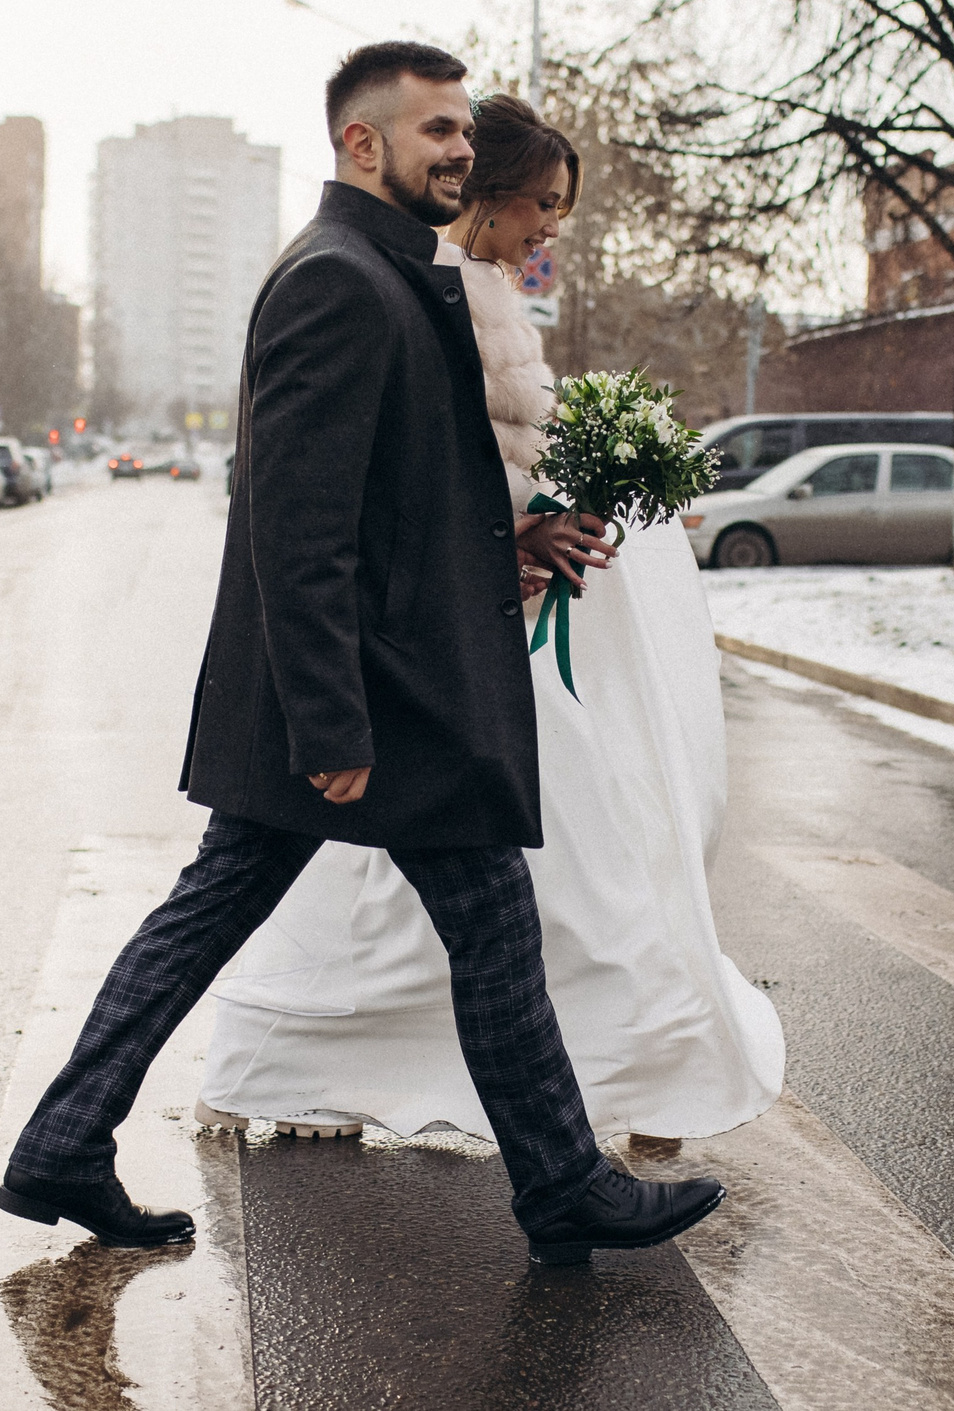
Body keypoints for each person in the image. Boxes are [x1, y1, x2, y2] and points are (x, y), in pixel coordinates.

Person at [0, 43, 726, 1268]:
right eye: (432, 130)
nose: (455, 147)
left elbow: (402, 500)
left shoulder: (391, 274)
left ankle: (69, 1139)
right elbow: (299, 525)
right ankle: (560, 1185)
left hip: (384, 684)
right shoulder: (338, 280)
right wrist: (331, 725)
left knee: (242, 914)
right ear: (360, 143)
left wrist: (513, 534)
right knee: (479, 932)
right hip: (375, 700)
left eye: (460, 129)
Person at [192, 96, 785, 1150]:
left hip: (469, 630)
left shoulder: (471, 291)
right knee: (536, 874)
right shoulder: (440, 296)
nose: (552, 226)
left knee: (449, 891)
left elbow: (469, 473)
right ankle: (603, 1104)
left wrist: (560, 503)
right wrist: (517, 542)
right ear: (493, 192)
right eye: (543, 204)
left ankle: (533, 1113)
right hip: (445, 645)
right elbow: (413, 485)